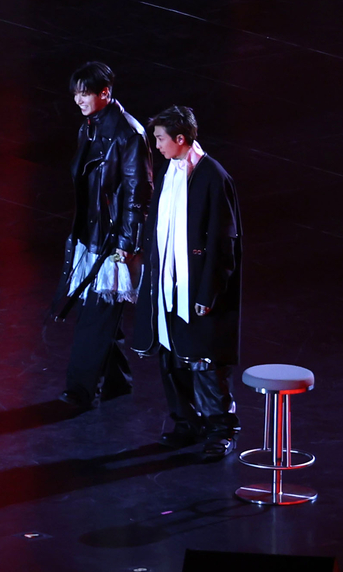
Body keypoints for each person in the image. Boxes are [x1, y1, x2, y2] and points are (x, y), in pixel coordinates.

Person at [134, 105, 242, 461]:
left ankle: (220, 429)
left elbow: (223, 243)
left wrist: (208, 292)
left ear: (180, 139)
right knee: (172, 357)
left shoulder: (212, 176)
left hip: (196, 288)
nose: (157, 146)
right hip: (168, 285)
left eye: (160, 139)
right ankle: (187, 423)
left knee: (205, 362)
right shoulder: (171, 171)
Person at [53, 62, 152, 409]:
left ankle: (80, 390)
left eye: (85, 93)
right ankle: (117, 380)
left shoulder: (129, 134)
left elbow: (138, 193)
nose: (78, 100)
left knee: (95, 317)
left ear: (105, 93)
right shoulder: (90, 126)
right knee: (99, 313)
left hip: (112, 241)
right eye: (76, 94)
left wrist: (127, 243)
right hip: (91, 233)